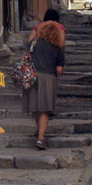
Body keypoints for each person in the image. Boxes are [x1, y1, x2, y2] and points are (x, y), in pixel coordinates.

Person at [22, 20, 65, 150]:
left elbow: (27, 52)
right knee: (45, 109)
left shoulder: (33, 44)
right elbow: (59, 70)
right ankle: (41, 138)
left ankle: (40, 130)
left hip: (32, 78)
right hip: (48, 78)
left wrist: (35, 31)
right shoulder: (57, 49)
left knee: (36, 107)